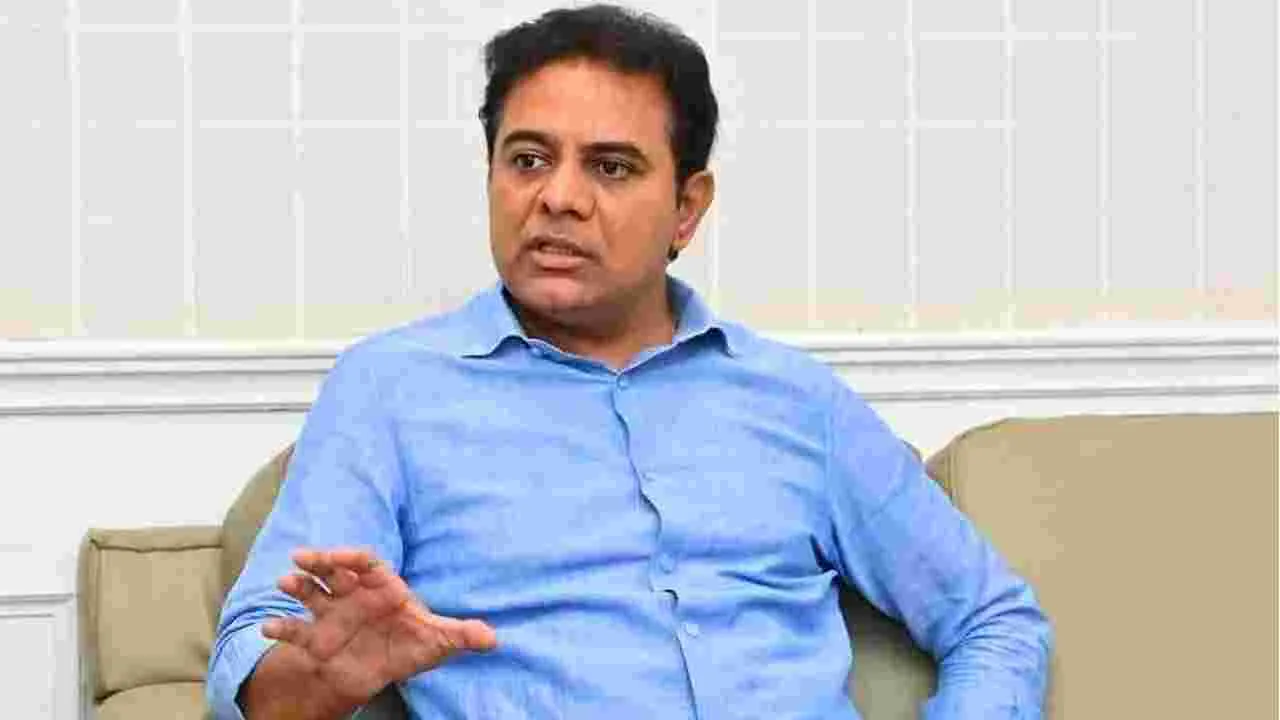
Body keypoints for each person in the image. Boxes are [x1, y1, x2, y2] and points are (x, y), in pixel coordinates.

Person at [208, 5, 1051, 719]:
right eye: (528, 160)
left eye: (610, 167)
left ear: (687, 208)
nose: (558, 197)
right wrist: (324, 677)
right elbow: (252, 662)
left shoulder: (796, 401)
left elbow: (993, 618)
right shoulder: (391, 390)